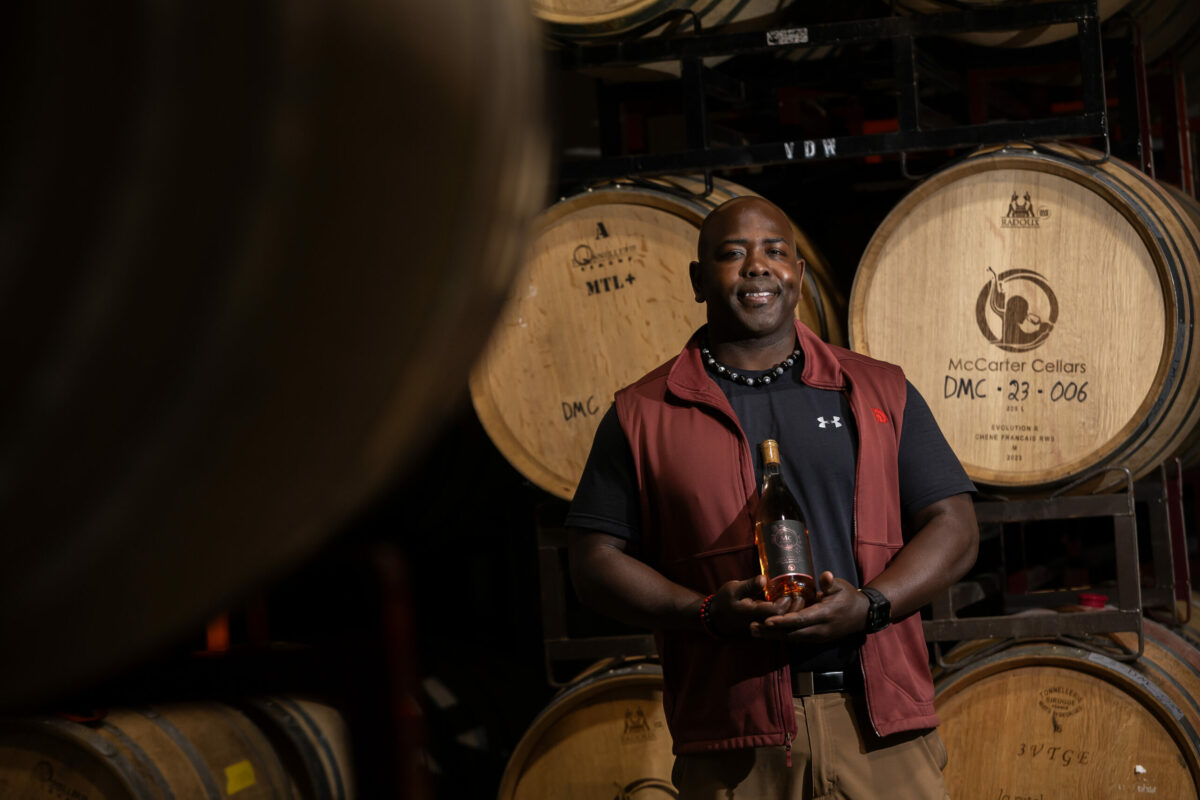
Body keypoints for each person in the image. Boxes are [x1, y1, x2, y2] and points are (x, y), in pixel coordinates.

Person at [566, 195, 979, 799]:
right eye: (732, 253)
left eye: (775, 252)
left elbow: (955, 524)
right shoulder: (642, 412)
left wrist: (871, 606)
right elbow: (594, 561)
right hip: (736, 745)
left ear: (799, 276)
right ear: (698, 279)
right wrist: (705, 614)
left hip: (878, 729)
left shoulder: (878, 389)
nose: (756, 266)